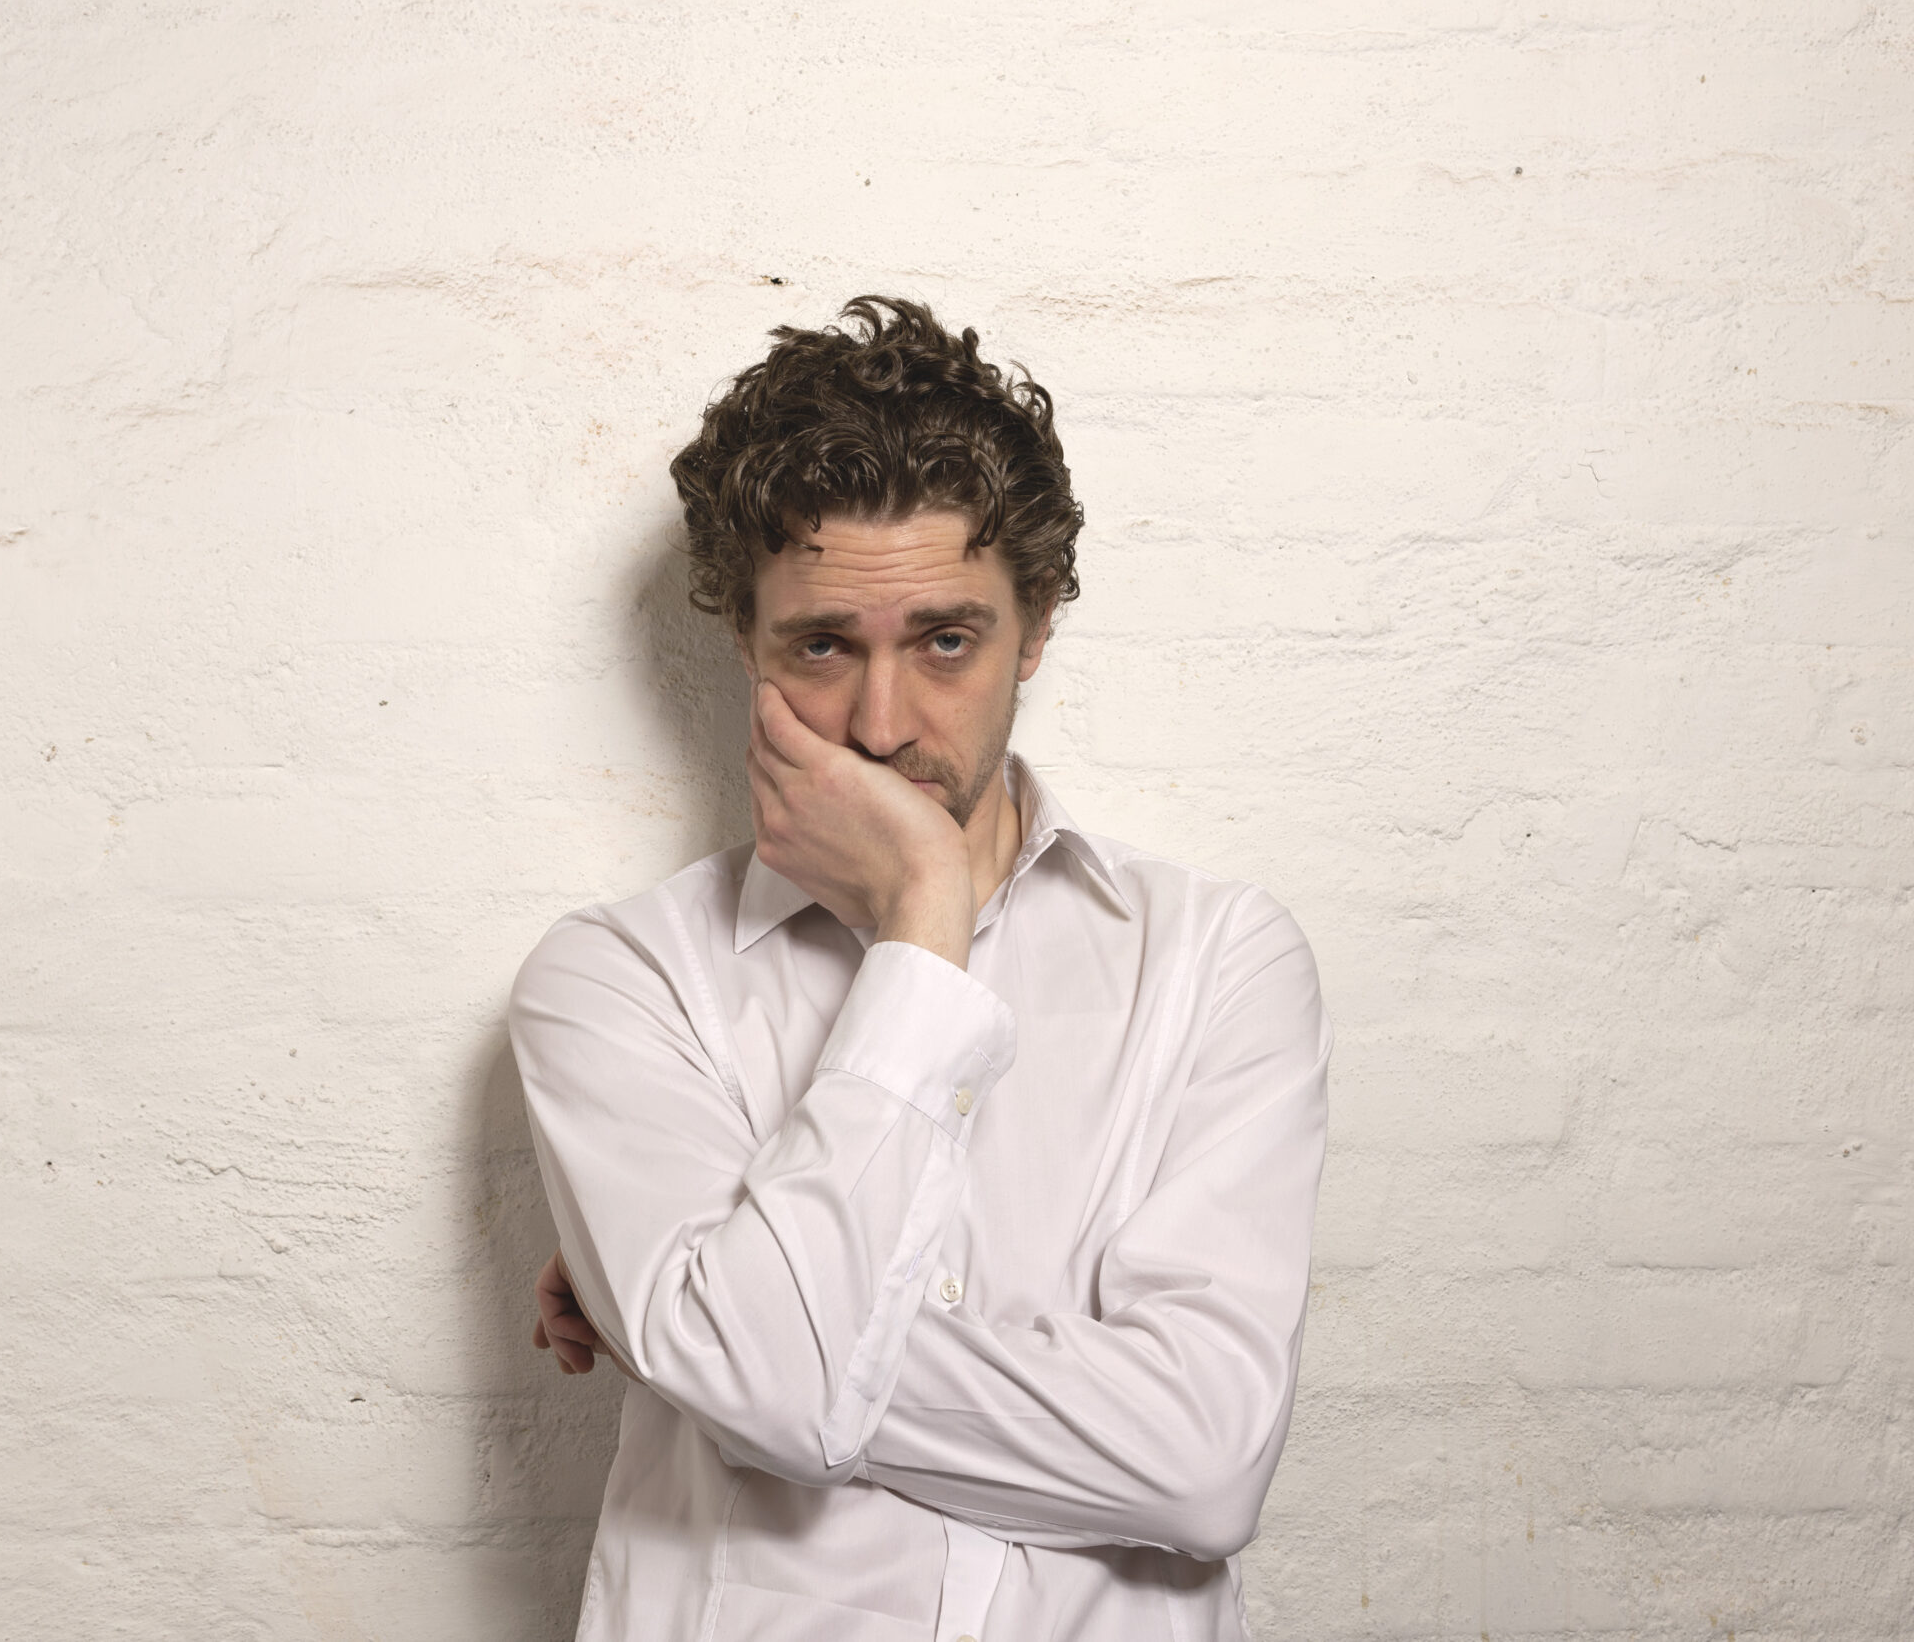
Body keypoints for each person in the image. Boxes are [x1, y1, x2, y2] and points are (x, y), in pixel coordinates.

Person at [509, 296, 1330, 1641]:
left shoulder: (1216, 962)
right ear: (744, 644)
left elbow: (1203, 1466)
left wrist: (732, 1328)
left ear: (1040, 629)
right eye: (823, 645)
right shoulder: (617, 981)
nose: (882, 727)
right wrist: (925, 924)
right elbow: (772, 1382)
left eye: (947, 640)